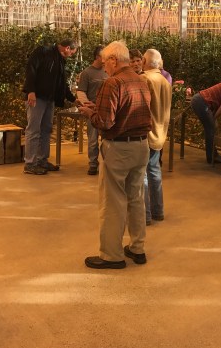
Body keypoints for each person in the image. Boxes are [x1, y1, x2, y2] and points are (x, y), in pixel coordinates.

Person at [78, 40, 152, 269]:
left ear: (113, 60)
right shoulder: (141, 80)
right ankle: (137, 248)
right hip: (142, 146)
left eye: (104, 62)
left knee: (113, 202)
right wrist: (97, 110)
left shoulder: (112, 82)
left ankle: (111, 255)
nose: (104, 67)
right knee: (136, 198)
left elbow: (106, 122)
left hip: (119, 148)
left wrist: (89, 113)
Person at [22, 37, 77, 175]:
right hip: (37, 97)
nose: (71, 56)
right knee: (33, 130)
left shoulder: (60, 61)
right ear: (67, 48)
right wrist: (31, 91)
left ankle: (42, 160)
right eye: (72, 53)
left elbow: (62, 83)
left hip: (50, 99)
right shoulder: (43, 51)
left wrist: (73, 99)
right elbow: (31, 69)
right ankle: (30, 163)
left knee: (46, 129)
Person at [141, 48, 172, 224]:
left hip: (145, 132)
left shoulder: (145, 79)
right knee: (154, 171)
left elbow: (141, 106)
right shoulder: (165, 81)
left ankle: (145, 215)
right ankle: (158, 211)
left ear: (145, 61)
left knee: (142, 175)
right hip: (160, 133)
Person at [76, 45, 108, 176]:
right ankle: (93, 164)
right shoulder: (87, 73)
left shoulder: (108, 71)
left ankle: (106, 164)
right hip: (92, 110)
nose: (106, 59)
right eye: (104, 56)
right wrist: (87, 107)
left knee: (106, 139)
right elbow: (81, 92)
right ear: (97, 57)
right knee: (93, 139)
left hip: (106, 110)